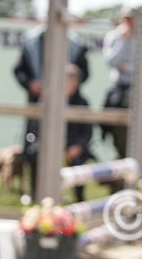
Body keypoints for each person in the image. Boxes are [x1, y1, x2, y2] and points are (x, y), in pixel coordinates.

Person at [23, 63, 95, 203]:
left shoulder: (82, 102)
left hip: (72, 146)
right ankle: (35, 195)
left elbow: (87, 131)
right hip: (48, 144)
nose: (68, 85)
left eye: (71, 81)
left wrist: (77, 147)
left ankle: (79, 200)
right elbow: (36, 127)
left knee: (79, 162)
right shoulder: (48, 99)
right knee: (34, 154)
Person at [101, 6, 142, 169]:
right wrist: (124, 40)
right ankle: (109, 136)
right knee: (109, 109)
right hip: (121, 86)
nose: (130, 23)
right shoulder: (115, 36)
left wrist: (126, 67)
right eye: (127, 19)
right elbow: (111, 61)